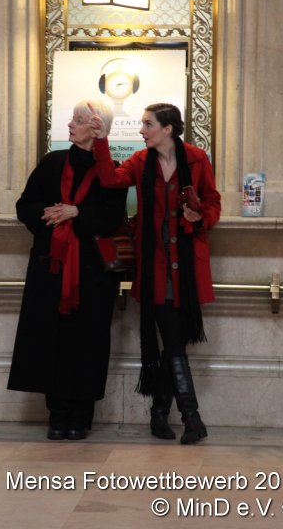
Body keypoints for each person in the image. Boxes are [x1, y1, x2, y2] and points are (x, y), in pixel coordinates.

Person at [90, 102, 221, 444]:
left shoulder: (197, 159)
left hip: (186, 268)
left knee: (173, 343)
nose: (142, 130)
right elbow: (110, 179)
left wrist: (200, 217)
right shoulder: (140, 161)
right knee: (174, 342)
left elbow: (213, 202)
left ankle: (160, 412)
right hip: (155, 267)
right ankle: (192, 418)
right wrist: (101, 140)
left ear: (167, 128)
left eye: (148, 124)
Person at [7, 100, 127, 440]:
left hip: (93, 275)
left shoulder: (112, 170)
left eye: (78, 120)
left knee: (87, 343)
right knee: (51, 340)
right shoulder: (53, 162)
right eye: (72, 119)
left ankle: (80, 417)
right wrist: (49, 213)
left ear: (97, 128)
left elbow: (111, 218)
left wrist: (77, 213)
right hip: (51, 268)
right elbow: (25, 205)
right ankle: (57, 416)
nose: (71, 125)